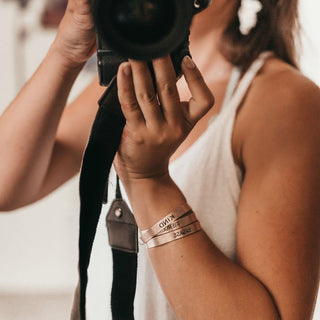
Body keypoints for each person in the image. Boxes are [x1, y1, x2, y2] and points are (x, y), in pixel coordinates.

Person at [0, 0, 319, 319]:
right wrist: (66, 52)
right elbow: (6, 185)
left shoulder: (283, 101)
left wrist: (148, 180)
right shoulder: (132, 77)